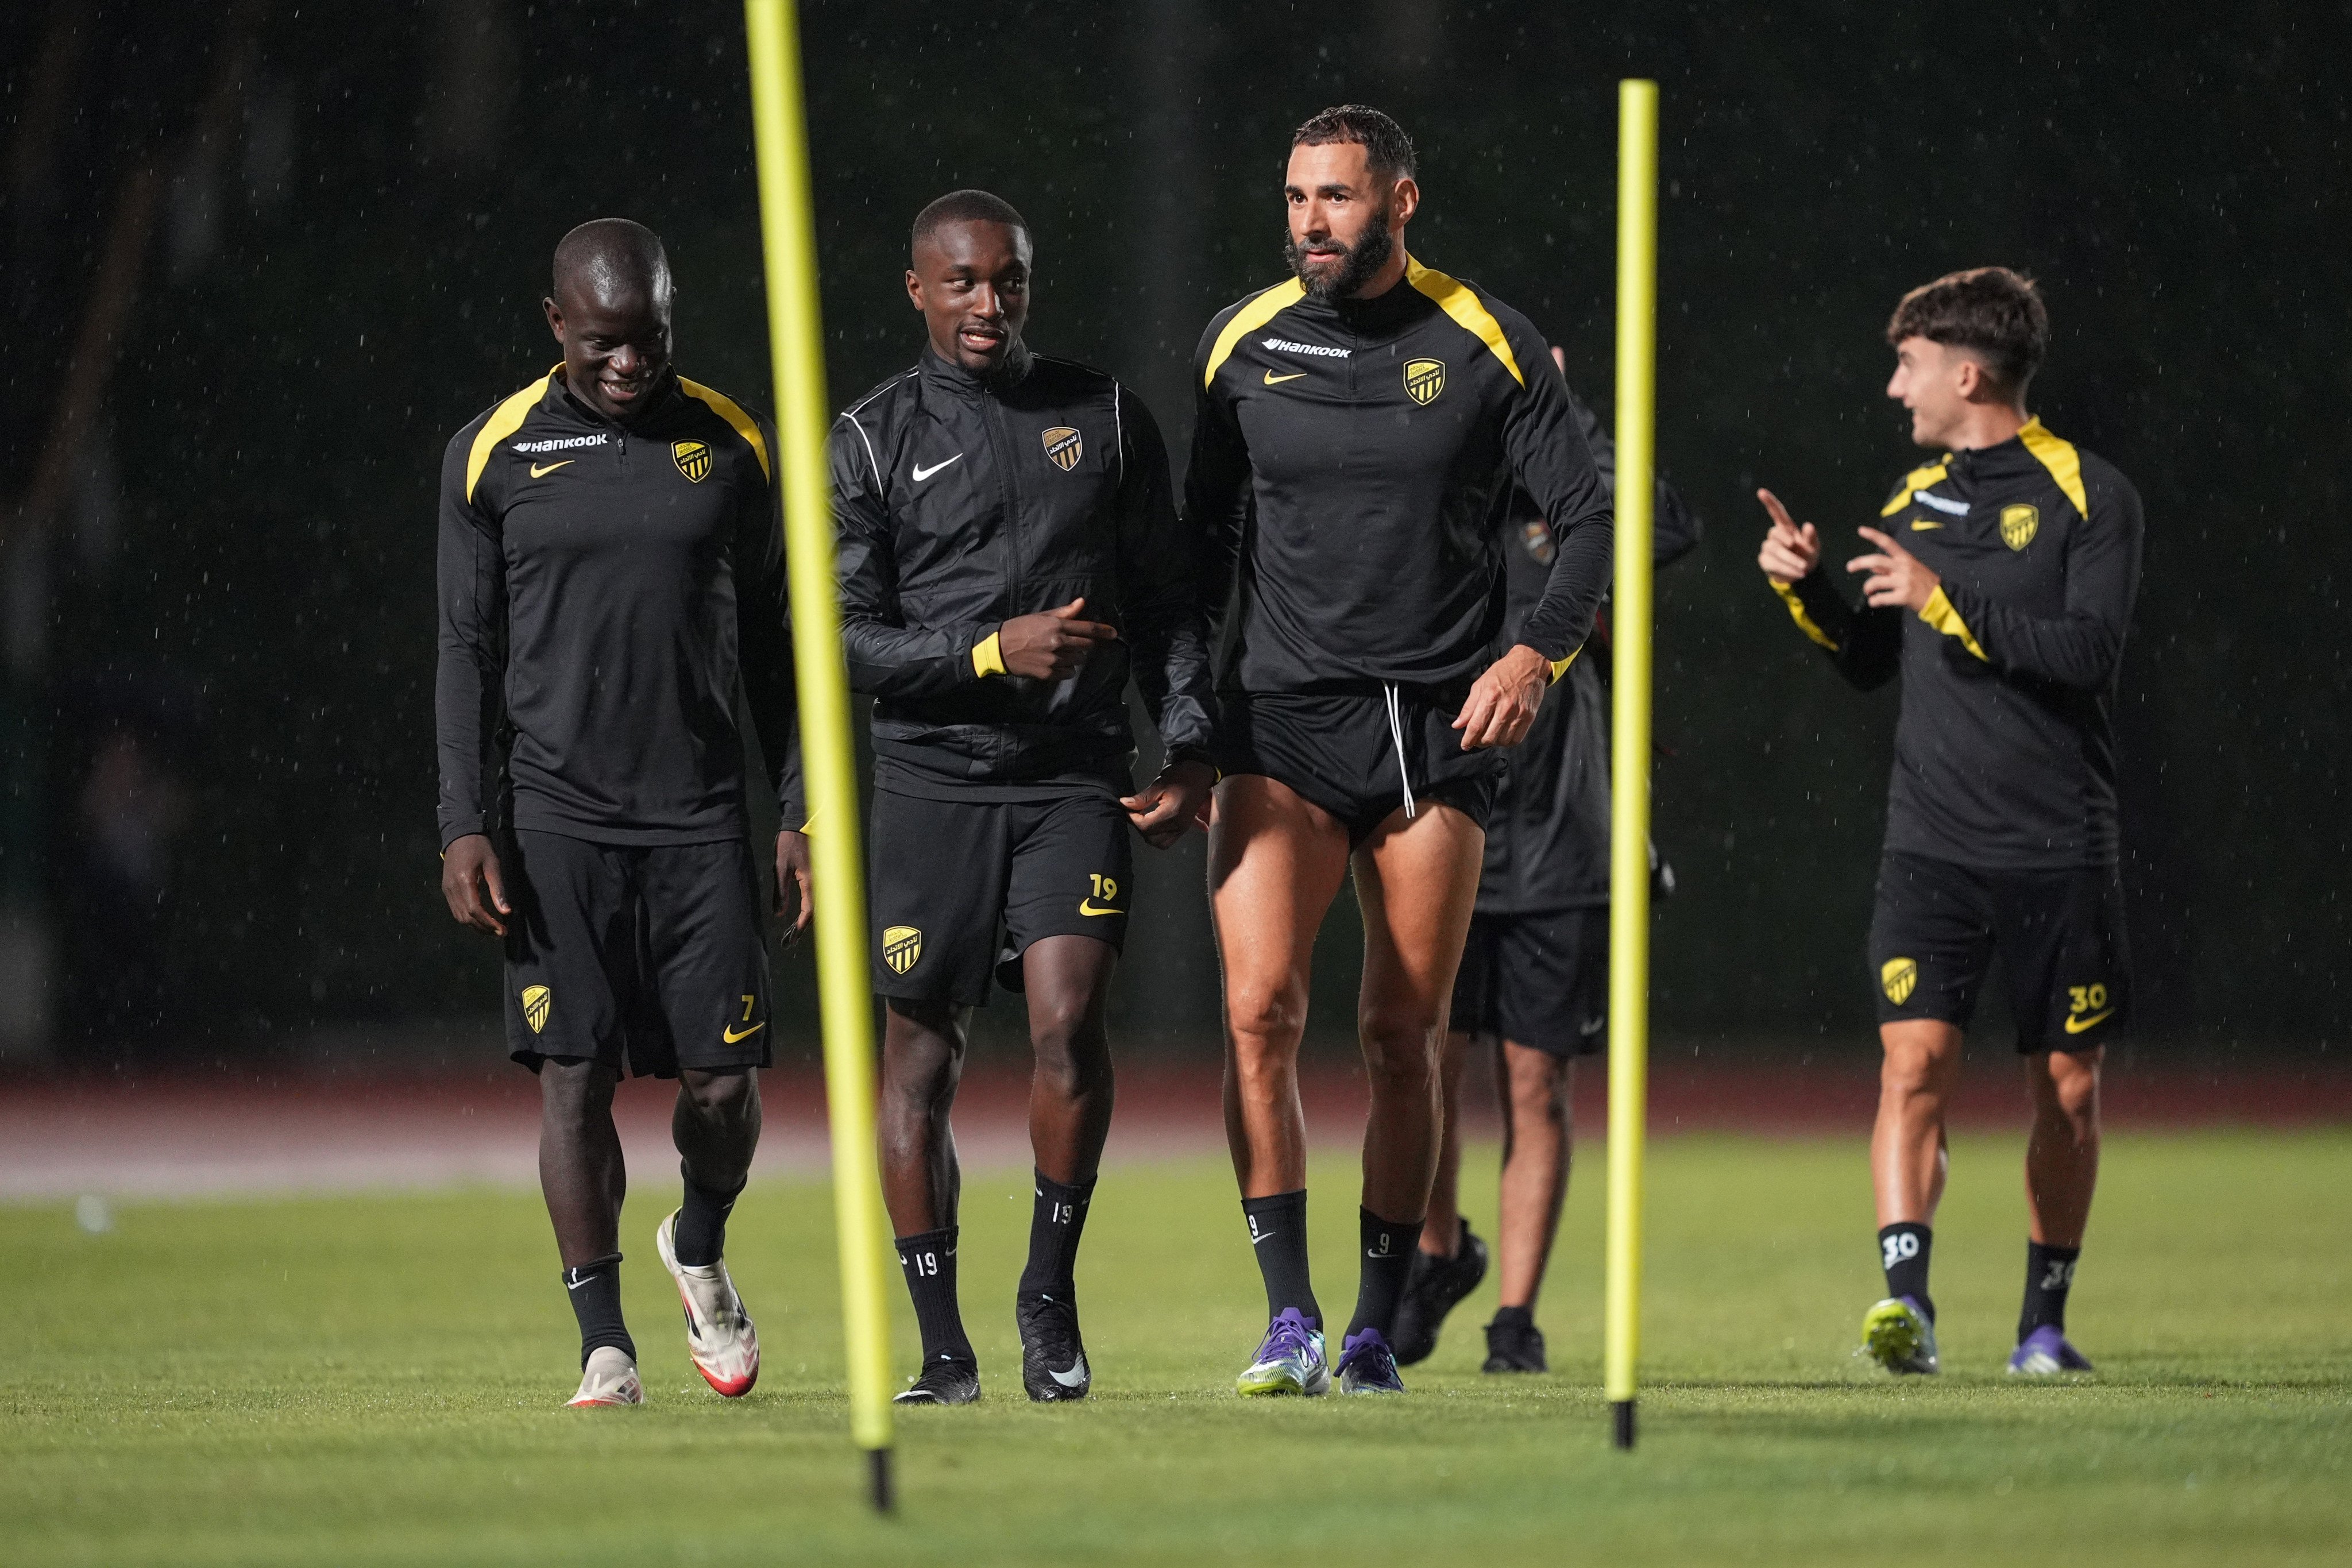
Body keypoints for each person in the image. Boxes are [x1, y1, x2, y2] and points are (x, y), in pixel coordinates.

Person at [1187, 107, 1613, 1397]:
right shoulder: (1238, 343)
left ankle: (1374, 1323)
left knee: (1403, 1034)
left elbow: (1585, 514)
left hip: (1433, 732)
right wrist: (1179, 721)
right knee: (1257, 1013)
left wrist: (1533, 652)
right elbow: (1198, 551)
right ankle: (1287, 1319)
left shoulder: (1486, 338)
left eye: (1336, 197)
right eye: (1295, 197)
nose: (1311, 220)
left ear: (1401, 201)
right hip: (1282, 725)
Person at [831, 190, 1216, 1405]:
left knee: (1066, 1028)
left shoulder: (1100, 414)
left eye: (1008, 282)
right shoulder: (870, 439)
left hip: (1069, 777)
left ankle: (1046, 1298)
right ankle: (941, 1346)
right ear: (915, 290)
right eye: (962, 283)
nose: (987, 304)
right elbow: (843, 639)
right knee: (922, 1061)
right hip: (932, 785)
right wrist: (989, 651)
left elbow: (1167, 607)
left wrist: (1191, 741)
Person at [435, 219, 810, 1408]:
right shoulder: (491, 453)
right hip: (554, 817)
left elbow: (778, 648)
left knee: (722, 1089)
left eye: (649, 339)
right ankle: (604, 1342)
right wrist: (461, 820)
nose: (629, 364)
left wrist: (798, 806)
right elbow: (462, 651)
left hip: (699, 816)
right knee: (571, 1075)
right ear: (555, 324)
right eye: (603, 343)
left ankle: (696, 1241)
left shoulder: (732, 440)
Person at [1755, 266, 2143, 1376]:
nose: (1895, 387)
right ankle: (1908, 1309)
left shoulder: (2091, 497)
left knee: (2067, 1089)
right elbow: (1874, 661)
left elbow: (2087, 655)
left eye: (1910, 364)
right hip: (1930, 847)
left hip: (2058, 846)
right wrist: (1810, 589)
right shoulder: (1913, 498)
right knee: (1911, 1067)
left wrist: (1949, 603)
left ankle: (2043, 1325)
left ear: (1968, 373)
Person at [1392, 350, 1702, 1373]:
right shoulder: (1445, 498)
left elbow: (1662, 526)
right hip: (1445, 818)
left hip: (1565, 835)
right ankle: (1439, 1249)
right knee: (1428, 1059)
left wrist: (1573, 420)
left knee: (1538, 1082)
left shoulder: (1575, 515)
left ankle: (1514, 1319)